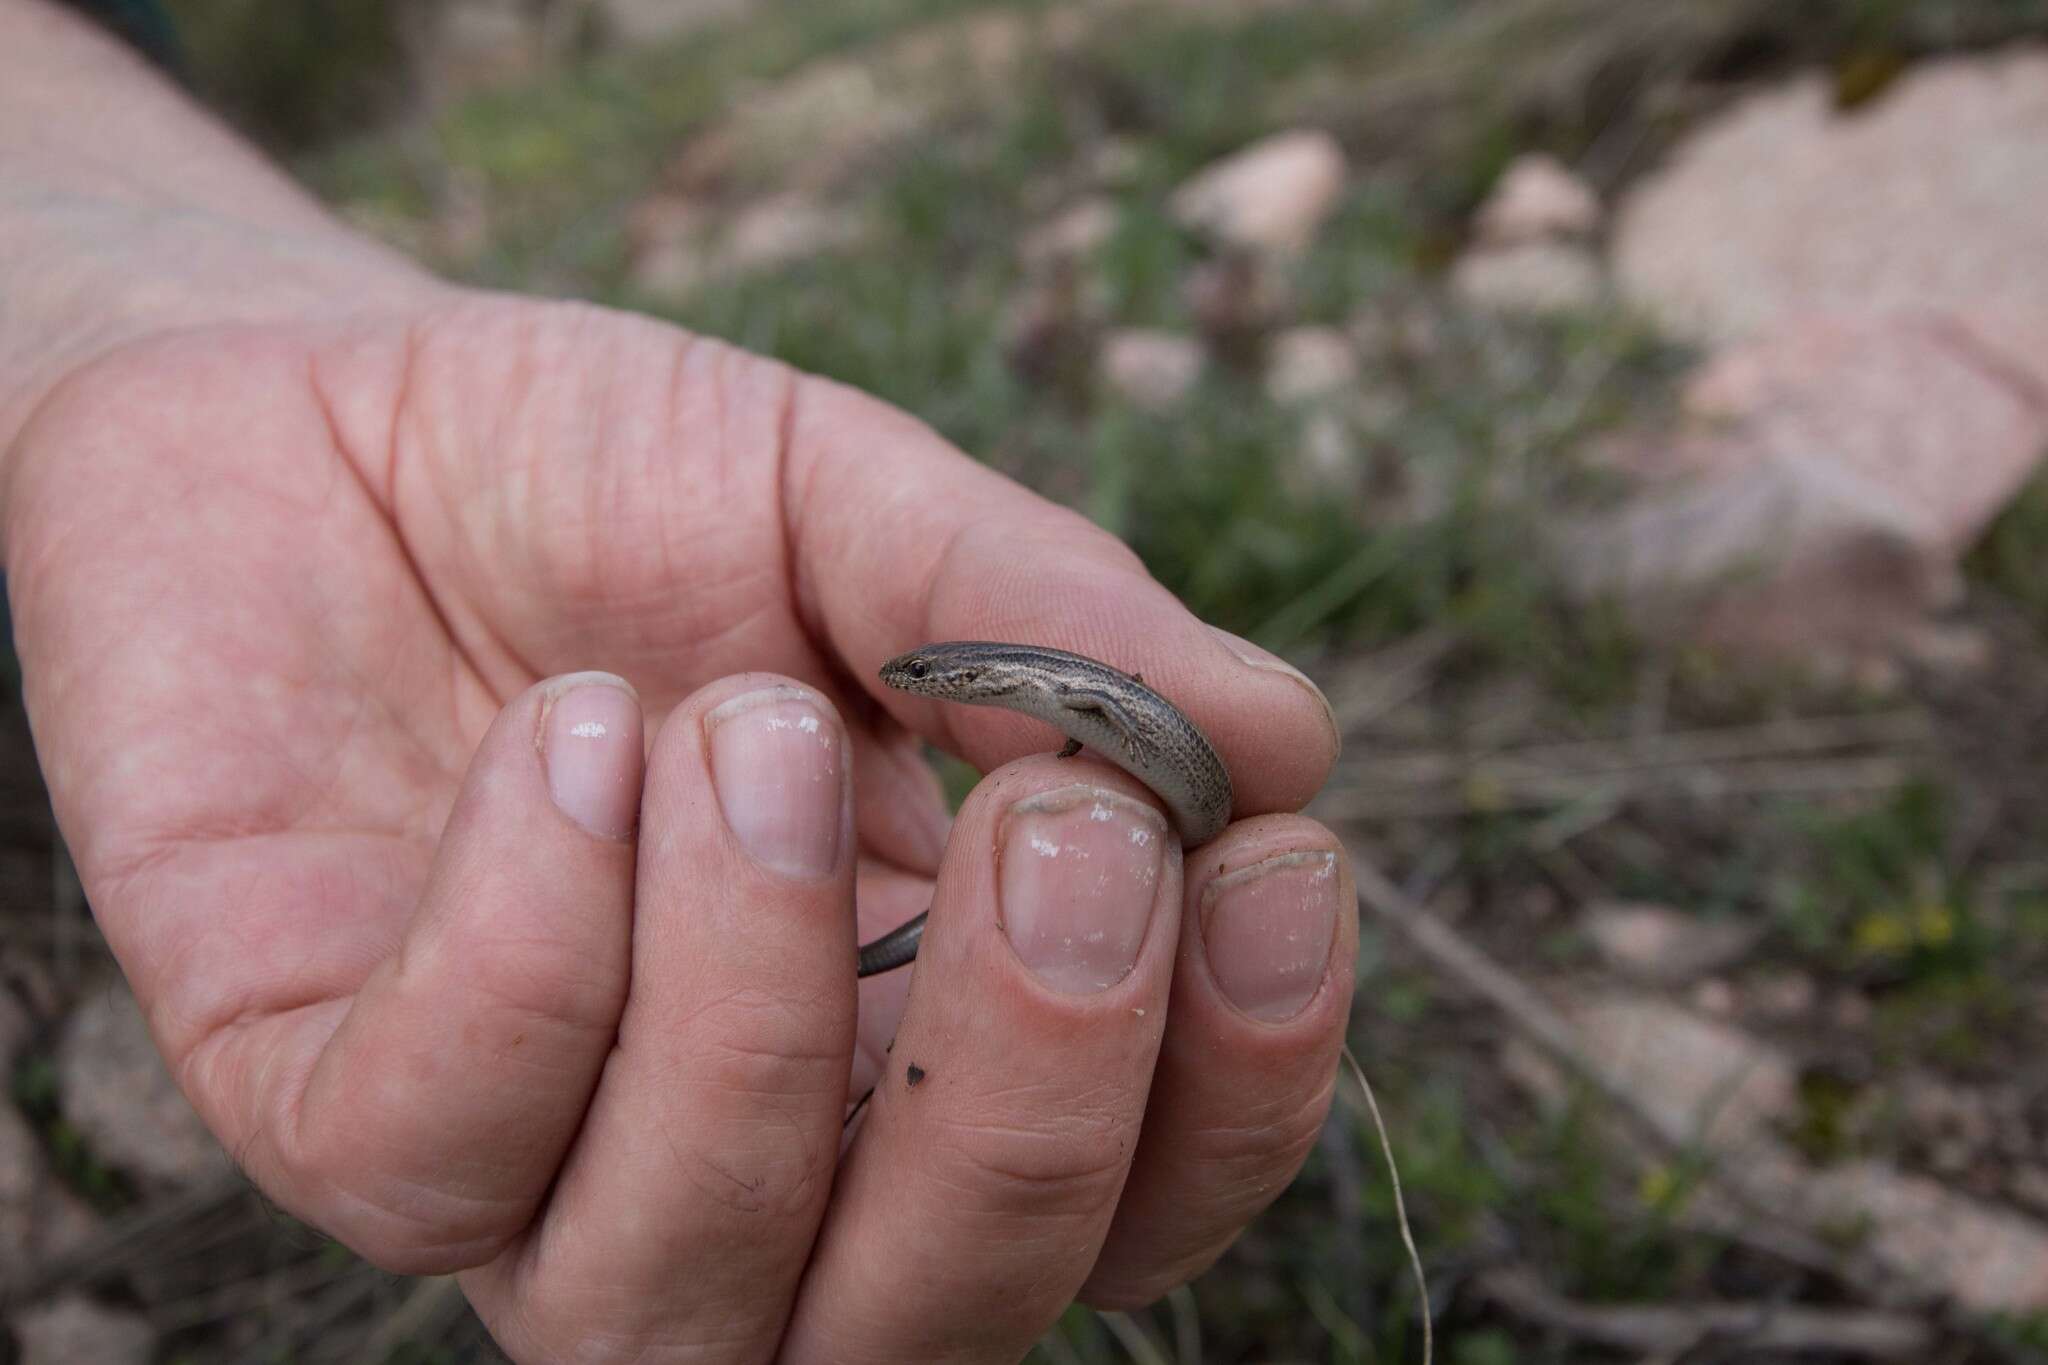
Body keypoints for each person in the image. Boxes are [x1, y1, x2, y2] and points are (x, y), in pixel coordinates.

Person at [0, 2, 1357, 1359]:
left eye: (943, 676)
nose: (930, 682)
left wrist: (156, 329)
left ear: (978, 677)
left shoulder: (1062, 687)